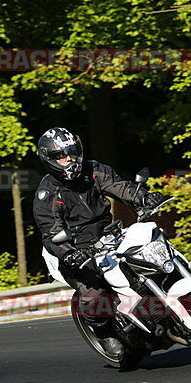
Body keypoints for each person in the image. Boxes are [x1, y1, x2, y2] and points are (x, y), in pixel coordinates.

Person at [32, 127, 164, 357]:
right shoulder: (47, 194)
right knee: (95, 294)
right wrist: (70, 253)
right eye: (62, 156)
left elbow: (119, 187)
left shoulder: (93, 170)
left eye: (72, 152)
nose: (70, 159)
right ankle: (103, 332)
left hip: (109, 234)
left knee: (148, 257)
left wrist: (143, 197)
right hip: (76, 249)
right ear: (50, 160)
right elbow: (51, 233)